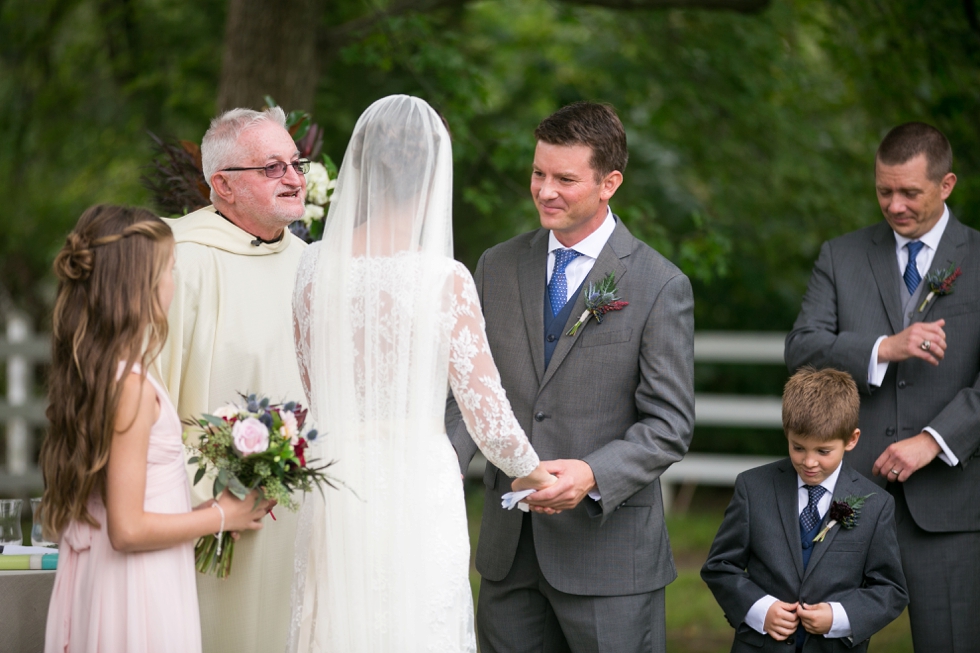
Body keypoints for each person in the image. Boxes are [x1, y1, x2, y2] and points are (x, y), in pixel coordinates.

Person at [286, 94, 556, 653]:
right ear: (432, 175)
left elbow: (312, 385)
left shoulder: (312, 266)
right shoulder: (443, 279)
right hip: (414, 486)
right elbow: (488, 413)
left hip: (333, 477)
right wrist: (534, 474)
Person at [446, 102, 695, 652]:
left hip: (608, 561)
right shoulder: (496, 266)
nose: (545, 190)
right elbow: (468, 394)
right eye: (538, 173)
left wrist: (590, 474)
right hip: (508, 555)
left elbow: (669, 424)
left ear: (610, 183)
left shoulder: (659, 283)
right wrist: (433, 475)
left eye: (565, 178)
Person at [39, 205, 271, 653]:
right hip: (135, 588)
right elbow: (126, 529)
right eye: (169, 270)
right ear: (138, 287)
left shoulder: (101, 372)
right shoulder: (130, 387)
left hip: (118, 574)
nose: (173, 282)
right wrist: (223, 516)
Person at [784, 122, 980, 650]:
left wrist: (933, 441)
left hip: (950, 504)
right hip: (848, 494)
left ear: (947, 184)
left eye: (910, 192)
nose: (894, 205)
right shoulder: (840, 256)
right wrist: (881, 348)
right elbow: (801, 348)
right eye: (883, 190)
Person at [157, 106, 309, 653]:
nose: (295, 178)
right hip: (209, 506)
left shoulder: (310, 264)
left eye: (297, 163)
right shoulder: (178, 261)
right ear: (222, 184)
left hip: (302, 509)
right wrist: (202, 501)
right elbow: (148, 402)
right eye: (273, 167)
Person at [701, 367, 908, 652]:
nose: (809, 462)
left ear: (851, 439)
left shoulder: (876, 503)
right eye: (798, 448)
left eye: (823, 451)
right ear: (787, 433)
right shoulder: (753, 488)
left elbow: (890, 590)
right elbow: (720, 566)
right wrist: (761, 610)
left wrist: (838, 617)